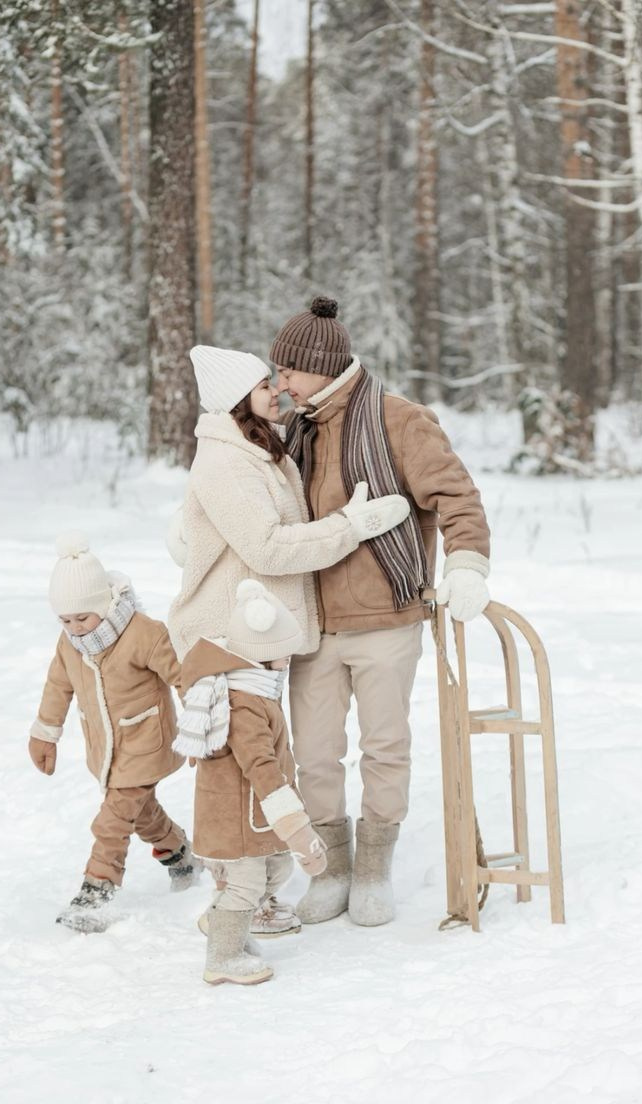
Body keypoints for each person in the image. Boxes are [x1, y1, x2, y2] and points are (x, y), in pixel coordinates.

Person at [166, 344, 410, 936]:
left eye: (276, 380)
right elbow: (269, 547)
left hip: (260, 639)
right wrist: (347, 528)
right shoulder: (225, 462)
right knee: (241, 771)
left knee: (265, 764)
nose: (277, 390)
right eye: (263, 385)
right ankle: (231, 908)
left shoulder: (264, 451)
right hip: (227, 643)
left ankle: (263, 891)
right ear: (236, 402)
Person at [270, 295, 492, 927]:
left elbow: (457, 495)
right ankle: (332, 868)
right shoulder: (295, 431)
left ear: (318, 366)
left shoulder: (399, 420)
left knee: (384, 747)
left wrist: (467, 564)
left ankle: (372, 870)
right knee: (313, 754)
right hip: (312, 623)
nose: (280, 383)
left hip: (386, 620)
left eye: (287, 371)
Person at [29, 533, 196, 933]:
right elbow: (58, 686)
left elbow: (183, 676)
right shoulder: (71, 644)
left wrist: (197, 726)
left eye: (82, 618)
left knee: (113, 821)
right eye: (65, 620)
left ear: (104, 605)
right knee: (140, 815)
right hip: (106, 749)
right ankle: (178, 853)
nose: (74, 628)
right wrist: (45, 732)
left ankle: (97, 890)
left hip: (144, 744)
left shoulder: (144, 633)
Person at [174, 579, 326, 986]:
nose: (288, 662)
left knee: (276, 870)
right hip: (234, 817)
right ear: (262, 657)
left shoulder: (258, 692)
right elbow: (261, 767)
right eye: (283, 656)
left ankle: (224, 919)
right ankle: (223, 956)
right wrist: (297, 828)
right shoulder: (244, 704)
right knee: (247, 884)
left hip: (253, 816)